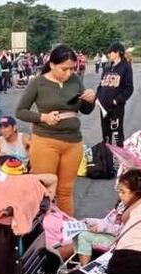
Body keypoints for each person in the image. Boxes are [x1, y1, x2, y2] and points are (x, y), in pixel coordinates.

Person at [16, 45, 96, 216]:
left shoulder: (75, 80)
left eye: (72, 69)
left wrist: (90, 99)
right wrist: (43, 118)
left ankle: (65, 231)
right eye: (64, 69)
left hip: (73, 143)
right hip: (45, 141)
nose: (68, 73)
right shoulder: (38, 83)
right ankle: (43, 232)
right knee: (44, 190)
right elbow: (20, 111)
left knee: (65, 191)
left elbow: (86, 109)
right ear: (52, 64)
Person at [97, 43, 134, 146]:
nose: (109, 54)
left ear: (117, 53)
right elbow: (101, 84)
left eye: (111, 52)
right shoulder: (107, 67)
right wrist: (98, 97)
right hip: (103, 106)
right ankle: (107, 156)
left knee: (117, 132)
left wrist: (117, 100)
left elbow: (129, 88)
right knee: (105, 133)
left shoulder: (125, 67)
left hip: (116, 107)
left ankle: (121, 156)